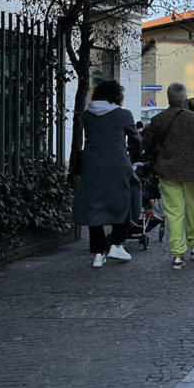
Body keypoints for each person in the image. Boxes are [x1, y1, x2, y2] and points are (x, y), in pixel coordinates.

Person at [144, 82, 194, 270]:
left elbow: (147, 145)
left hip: (168, 173)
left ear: (168, 98)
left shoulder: (158, 120)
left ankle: (177, 255)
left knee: (174, 213)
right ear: (184, 98)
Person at [72, 79, 142, 268]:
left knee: (95, 207)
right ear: (117, 96)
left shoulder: (87, 115)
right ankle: (116, 244)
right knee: (122, 202)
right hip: (117, 167)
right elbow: (136, 140)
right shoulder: (124, 115)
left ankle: (97, 253)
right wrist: (133, 148)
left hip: (92, 166)